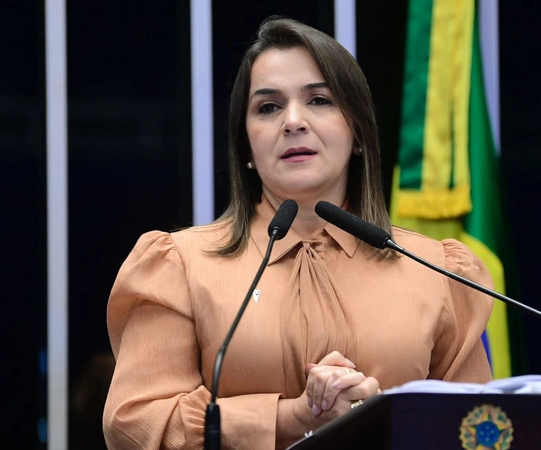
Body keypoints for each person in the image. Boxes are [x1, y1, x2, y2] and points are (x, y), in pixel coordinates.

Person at [103, 16, 494, 450]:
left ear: (359, 132)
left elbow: (478, 430)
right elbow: (136, 424)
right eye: (268, 107)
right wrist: (290, 417)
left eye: (320, 101)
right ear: (246, 145)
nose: (293, 121)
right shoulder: (179, 265)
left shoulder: (435, 270)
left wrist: (378, 418)